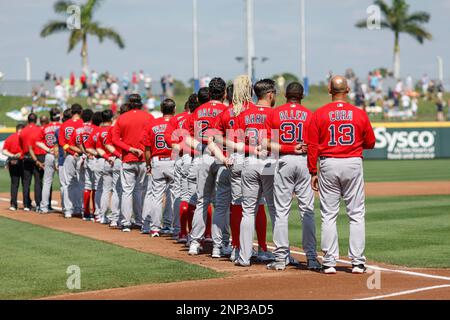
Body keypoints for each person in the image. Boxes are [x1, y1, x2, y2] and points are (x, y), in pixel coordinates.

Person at [307, 75, 376, 274]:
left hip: (328, 162)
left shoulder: (319, 113)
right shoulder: (359, 113)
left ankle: (329, 262)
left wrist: (313, 171)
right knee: (356, 213)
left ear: (330, 91)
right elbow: (370, 142)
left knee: (329, 214)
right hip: (353, 162)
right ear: (347, 90)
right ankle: (357, 262)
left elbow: (312, 146)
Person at [208, 76, 270, 262]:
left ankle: (236, 247)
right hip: (256, 159)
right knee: (258, 206)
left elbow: (211, 141)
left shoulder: (226, 113)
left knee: (237, 206)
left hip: (234, 161)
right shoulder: (256, 110)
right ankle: (263, 248)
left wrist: (223, 158)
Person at [262, 82, 322, 271]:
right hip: (304, 162)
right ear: (302, 96)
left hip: (284, 161)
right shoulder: (310, 115)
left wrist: (288, 148)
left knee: (281, 211)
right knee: (307, 211)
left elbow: (266, 143)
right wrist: (314, 170)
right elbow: (314, 146)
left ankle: (280, 258)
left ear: (286, 96)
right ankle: (312, 258)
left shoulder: (275, 113)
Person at [232, 79, 278, 267]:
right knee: (276, 211)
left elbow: (232, 142)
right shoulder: (276, 113)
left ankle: (243, 257)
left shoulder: (244, 114)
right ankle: (282, 255)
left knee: (248, 211)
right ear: (270, 94)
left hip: (249, 161)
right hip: (269, 162)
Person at [183, 78, 230, 257]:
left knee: (202, 201)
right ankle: (221, 245)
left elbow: (184, 136)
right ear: (224, 93)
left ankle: (195, 242)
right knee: (221, 203)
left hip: (203, 155)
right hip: (221, 156)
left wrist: (200, 147)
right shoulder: (226, 110)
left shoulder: (198, 110)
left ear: (209, 93)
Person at [111, 94, 155, 232]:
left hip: (128, 158)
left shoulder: (122, 118)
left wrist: (130, 149)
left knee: (127, 191)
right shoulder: (149, 117)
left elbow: (115, 140)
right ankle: (141, 221)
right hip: (144, 158)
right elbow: (153, 137)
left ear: (129, 104)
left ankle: (125, 222)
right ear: (141, 104)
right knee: (141, 191)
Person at [164, 94, 200, 243]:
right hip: (200, 157)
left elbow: (167, 137)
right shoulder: (200, 117)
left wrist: (177, 146)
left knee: (182, 195)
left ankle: (182, 232)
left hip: (182, 157)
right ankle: (204, 234)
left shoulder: (177, 118)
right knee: (203, 198)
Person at [141, 99, 177, 236]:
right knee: (174, 195)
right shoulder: (177, 123)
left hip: (157, 161)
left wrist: (148, 164)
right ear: (173, 109)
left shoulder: (152, 124)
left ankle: (155, 228)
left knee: (156, 196)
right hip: (173, 161)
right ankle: (173, 227)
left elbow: (147, 148)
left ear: (161, 110)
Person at [59, 104, 84, 218]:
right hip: (82, 155)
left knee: (68, 183)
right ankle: (79, 208)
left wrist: (69, 150)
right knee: (81, 183)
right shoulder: (83, 123)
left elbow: (62, 143)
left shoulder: (65, 124)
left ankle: (68, 210)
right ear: (80, 111)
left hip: (70, 156)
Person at [19, 113, 46, 211]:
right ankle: (38, 204)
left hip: (26, 157)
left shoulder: (22, 131)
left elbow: (21, 146)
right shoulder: (40, 129)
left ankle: (26, 204)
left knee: (26, 182)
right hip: (38, 156)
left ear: (27, 120)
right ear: (36, 120)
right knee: (38, 181)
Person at [36, 108, 61, 213]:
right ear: (59, 116)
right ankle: (68, 208)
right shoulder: (61, 126)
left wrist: (48, 149)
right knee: (64, 183)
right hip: (61, 156)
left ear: (50, 116)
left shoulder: (45, 127)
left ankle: (44, 207)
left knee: (47, 182)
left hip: (49, 155)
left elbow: (38, 142)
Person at [2, 124, 25, 211]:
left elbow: (4, 151)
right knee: (25, 183)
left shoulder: (10, 137)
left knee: (14, 184)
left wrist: (13, 156)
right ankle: (26, 204)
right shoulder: (24, 137)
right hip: (23, 161)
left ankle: (13, 205)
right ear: (22, 129)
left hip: (13, 161)